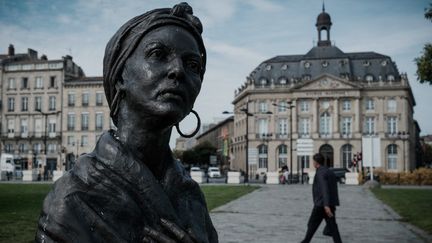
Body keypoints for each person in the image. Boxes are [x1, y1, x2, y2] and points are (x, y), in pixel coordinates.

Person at [36, 3, 218, 243]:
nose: (178, 70)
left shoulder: (191, 196)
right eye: (158, 55)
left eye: (193, 65)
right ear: (121, 74)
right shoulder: (73, 197)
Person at [301, 153, 342, 243]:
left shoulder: (320, 172)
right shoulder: (329, 171)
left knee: (311, 224)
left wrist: (326, 205)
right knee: (333, 227)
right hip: (330, 204)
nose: (313, 163)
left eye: (313, 161)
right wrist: (330, 204)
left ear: (316, 162)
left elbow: (324, 188)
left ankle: (305, 241)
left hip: (322, 204)